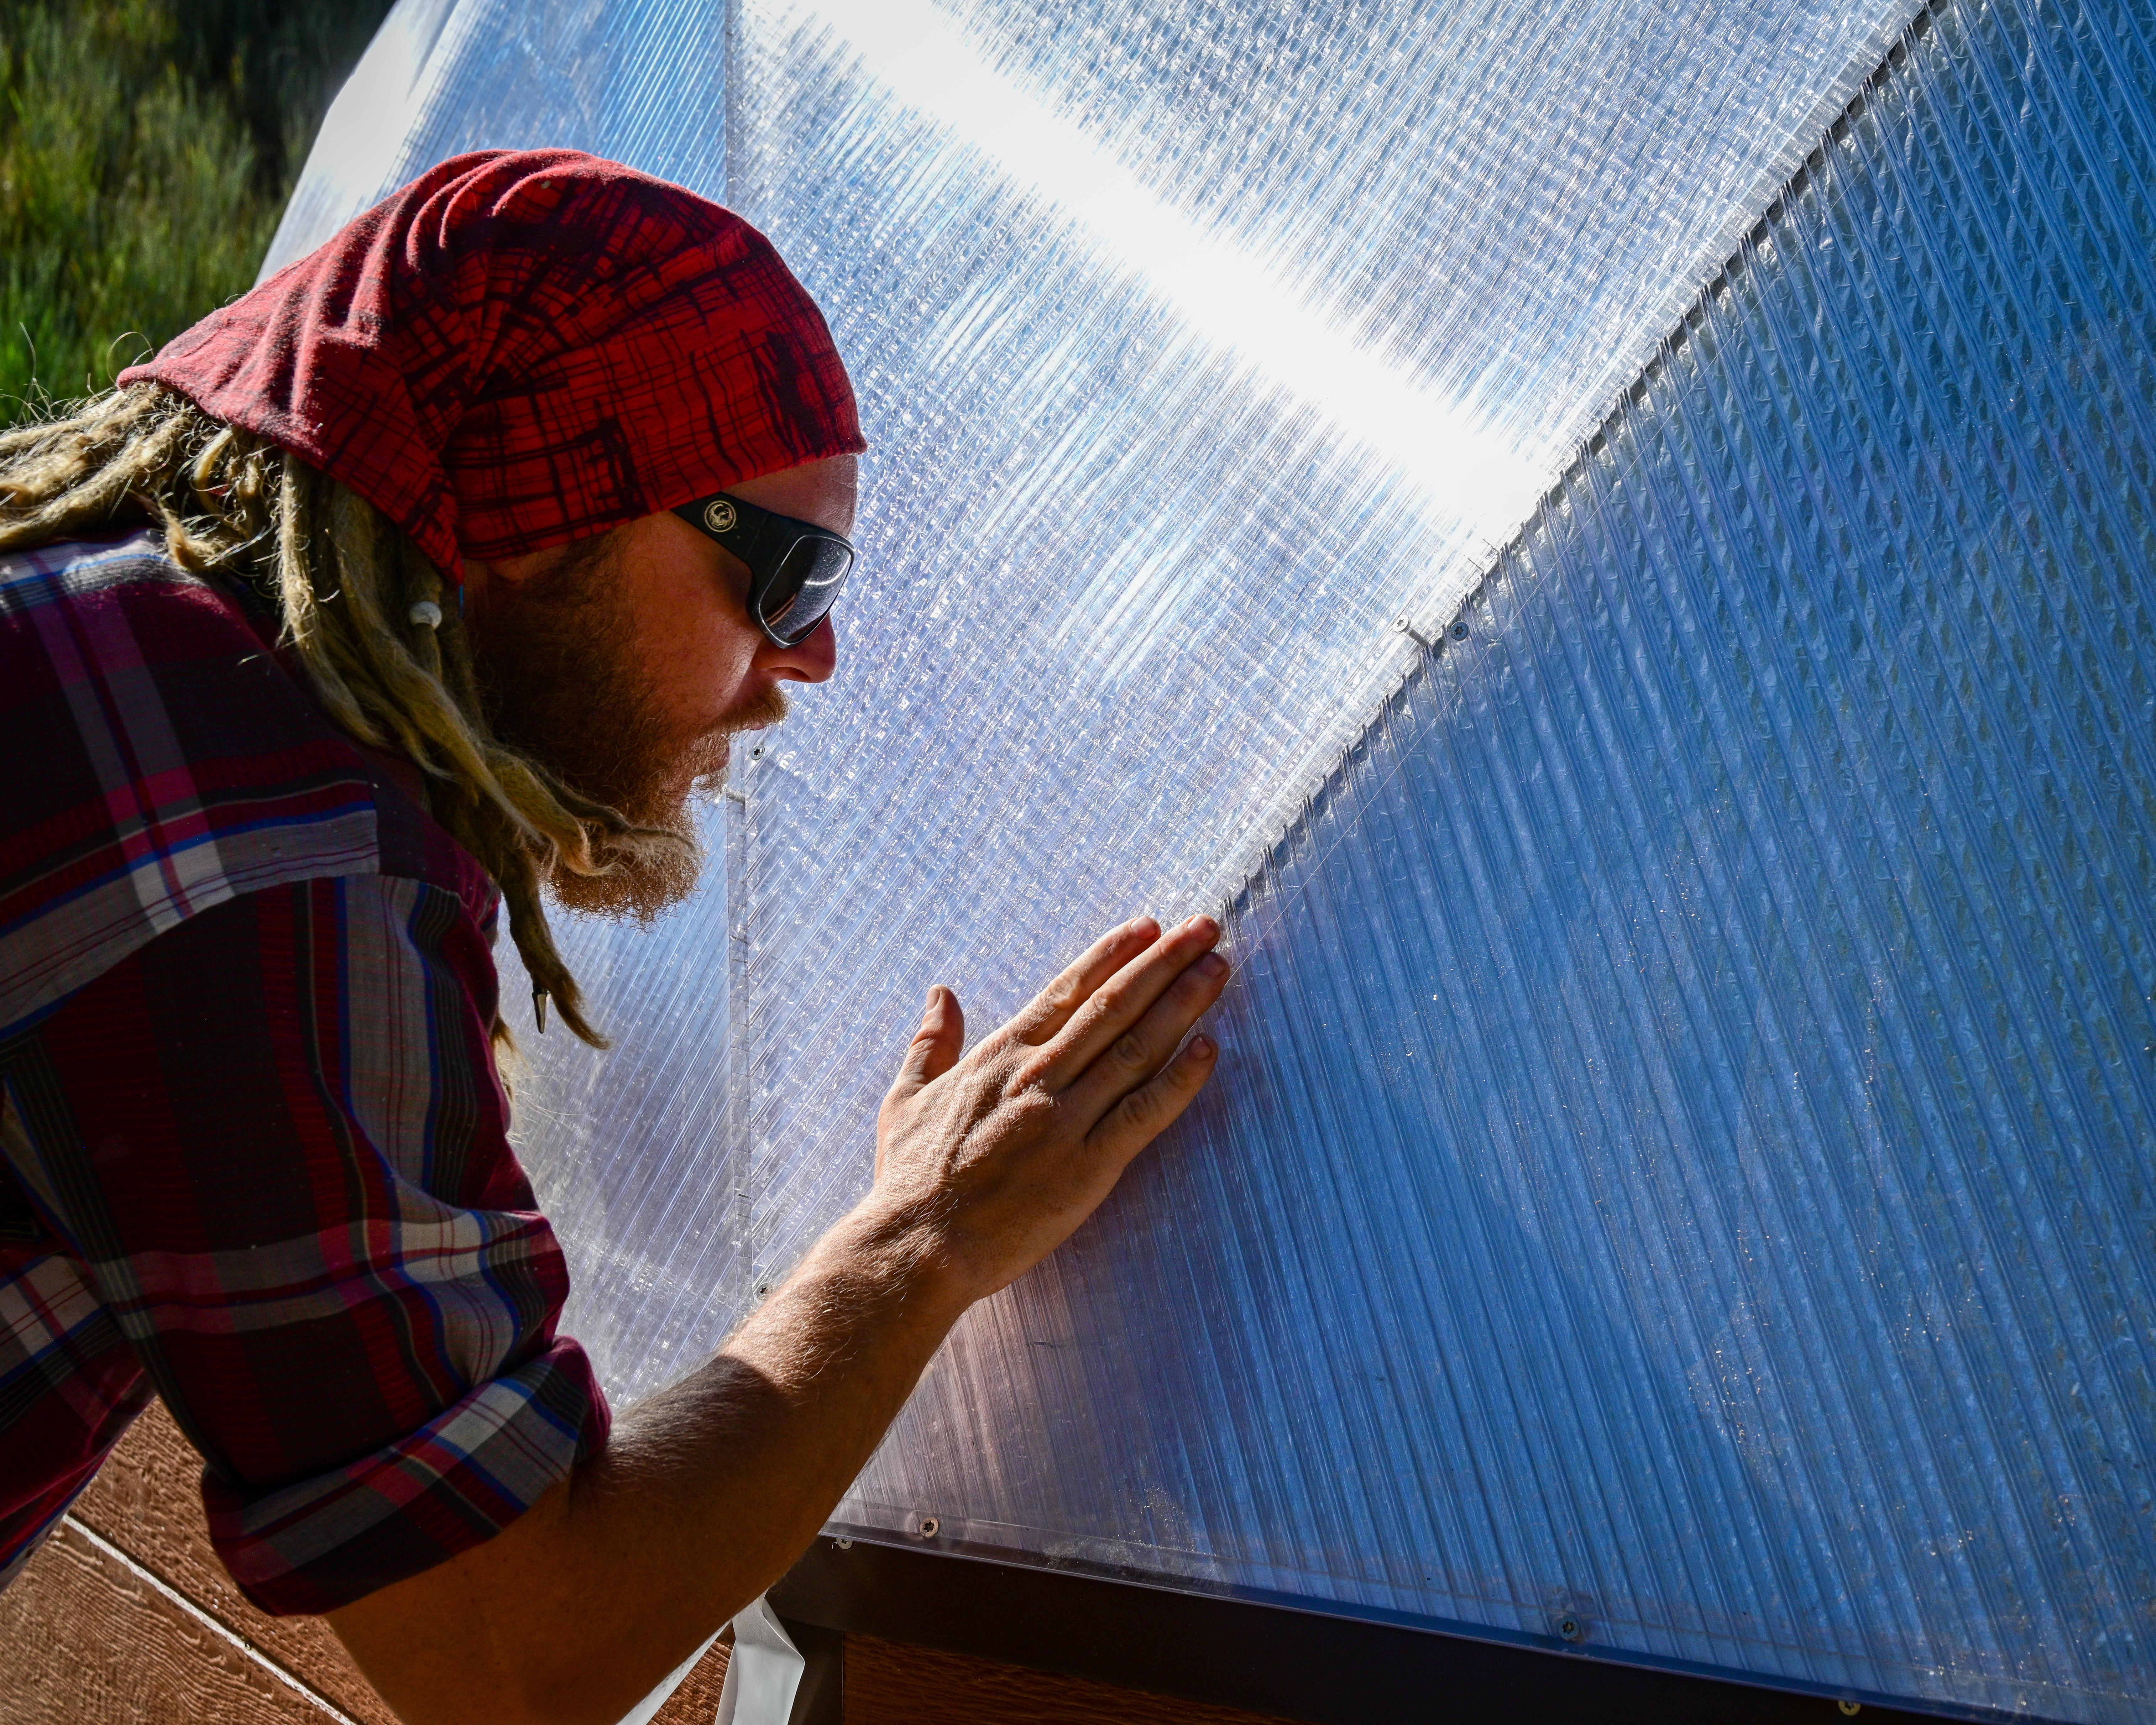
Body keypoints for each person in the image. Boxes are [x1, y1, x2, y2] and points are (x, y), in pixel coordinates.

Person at [0, 149, 1229, 1725]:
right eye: (788, 574)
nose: (818, 657)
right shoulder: (259, 852)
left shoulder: (88, 627)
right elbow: (517, 1653)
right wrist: (921, 1233)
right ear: (532, 499)